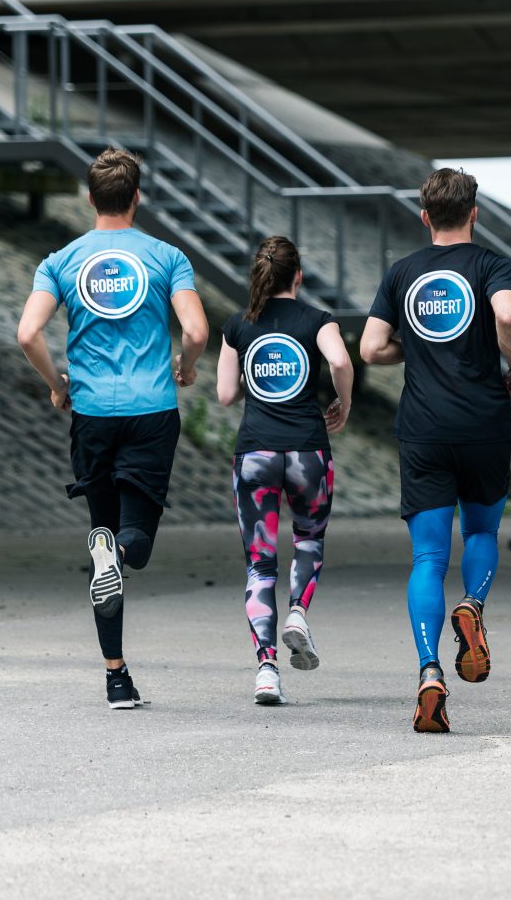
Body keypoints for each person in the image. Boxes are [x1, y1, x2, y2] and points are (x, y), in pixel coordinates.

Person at [16, 147, 208, 709]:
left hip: (93, 413)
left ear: (90, 198)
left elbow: (28, 334)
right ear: (137, 197)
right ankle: (117, 554)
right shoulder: (166, 256)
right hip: (152, 411)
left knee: (102, 529)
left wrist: (58, 384)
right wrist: (188, 367)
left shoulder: (61, 261)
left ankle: (117, 678)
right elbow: (195, 328)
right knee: (136, 545)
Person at [360, 167, 511, 733]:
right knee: (480, 532)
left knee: (428, 558)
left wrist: (419, 352)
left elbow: (369, 347)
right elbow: (506, 315)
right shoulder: (491, 265)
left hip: (424, 430)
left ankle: (430, 672)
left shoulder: (403, 273)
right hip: (483, 424)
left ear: (425, 216)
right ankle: (472, 607)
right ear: (474, 213)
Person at [216, 236, 353, 705]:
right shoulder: (317, 320)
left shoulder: (238, 325)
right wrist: (343, 402)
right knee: (308, 539)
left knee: (260, 565)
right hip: (307, 453)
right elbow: (339, 360)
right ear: (298, 275)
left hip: (254, 453)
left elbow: (226, 395)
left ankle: (267, 670)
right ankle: (298, 612)